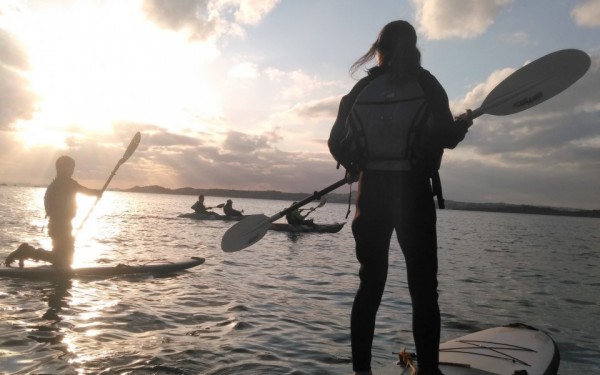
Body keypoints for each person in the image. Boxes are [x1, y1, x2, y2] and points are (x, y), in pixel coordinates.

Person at [328, 21, 472, 375]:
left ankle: (361, 371)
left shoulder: (361, 89)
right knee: (424, 290)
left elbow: (335, 142)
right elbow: (447, 136)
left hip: (372, 194)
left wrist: (354, 164)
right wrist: (462, 125)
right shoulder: (427, 83)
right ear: (415, 45)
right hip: (412, 195)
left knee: (370, 284)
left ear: (380, 47)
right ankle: (430, 372)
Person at [4, 155, 102, 269]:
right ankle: (27, 252)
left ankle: (28, 252)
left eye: (72, 167)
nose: (72, 170)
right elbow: (85, 190)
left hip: (58, 225)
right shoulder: (66, 183)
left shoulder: (56, 184)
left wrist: (96, 193)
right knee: (64, 260)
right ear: (61, 168)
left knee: (64, 259)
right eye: (70, 167)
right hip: (60, 226)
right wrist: (97, 193)